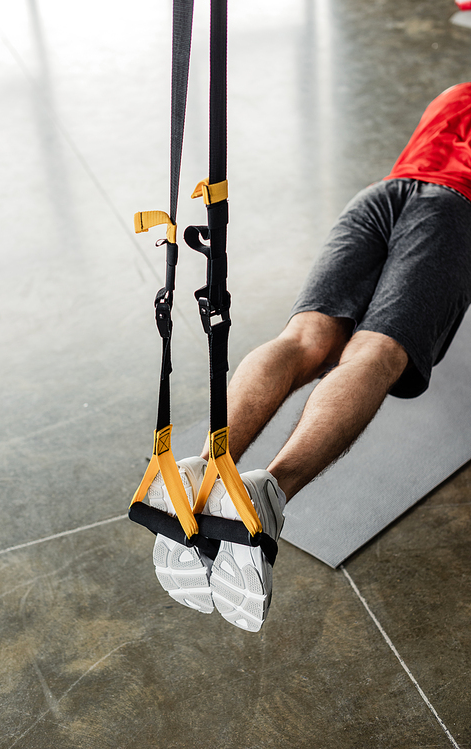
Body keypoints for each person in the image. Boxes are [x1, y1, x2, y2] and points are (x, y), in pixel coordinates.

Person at [147, 83, 471, 632]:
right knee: (376, 354)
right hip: (453, 211)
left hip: (379, 197)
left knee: (303, 339)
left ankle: (202, 471)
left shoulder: (455, 92)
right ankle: (267, 495)